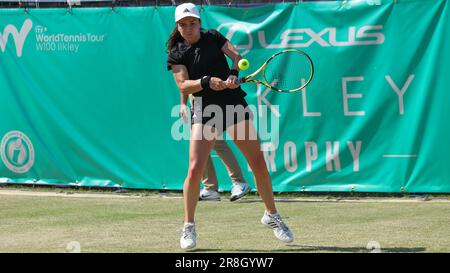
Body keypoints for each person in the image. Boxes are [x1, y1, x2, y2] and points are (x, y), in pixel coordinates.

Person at [167, 2, 293, 249]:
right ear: (178, 27)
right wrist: (206, 82)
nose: (189, 27)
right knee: (194, 169)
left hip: (232, 103)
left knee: (257, 162)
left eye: (193, 23)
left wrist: (233, 73)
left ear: (199, 23)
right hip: (204, 109)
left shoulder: (213, 37)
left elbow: (236, 55)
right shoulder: (176, 52)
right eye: (183, 24)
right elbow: (183, 85)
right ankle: (188, 227)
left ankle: (272, 215)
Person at [180, 95, 251, 202]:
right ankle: (211, 188)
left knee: (212, 144)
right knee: (203, 145)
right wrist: (185, 103)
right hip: (197, 100)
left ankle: (238, 182)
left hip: (208, 99)